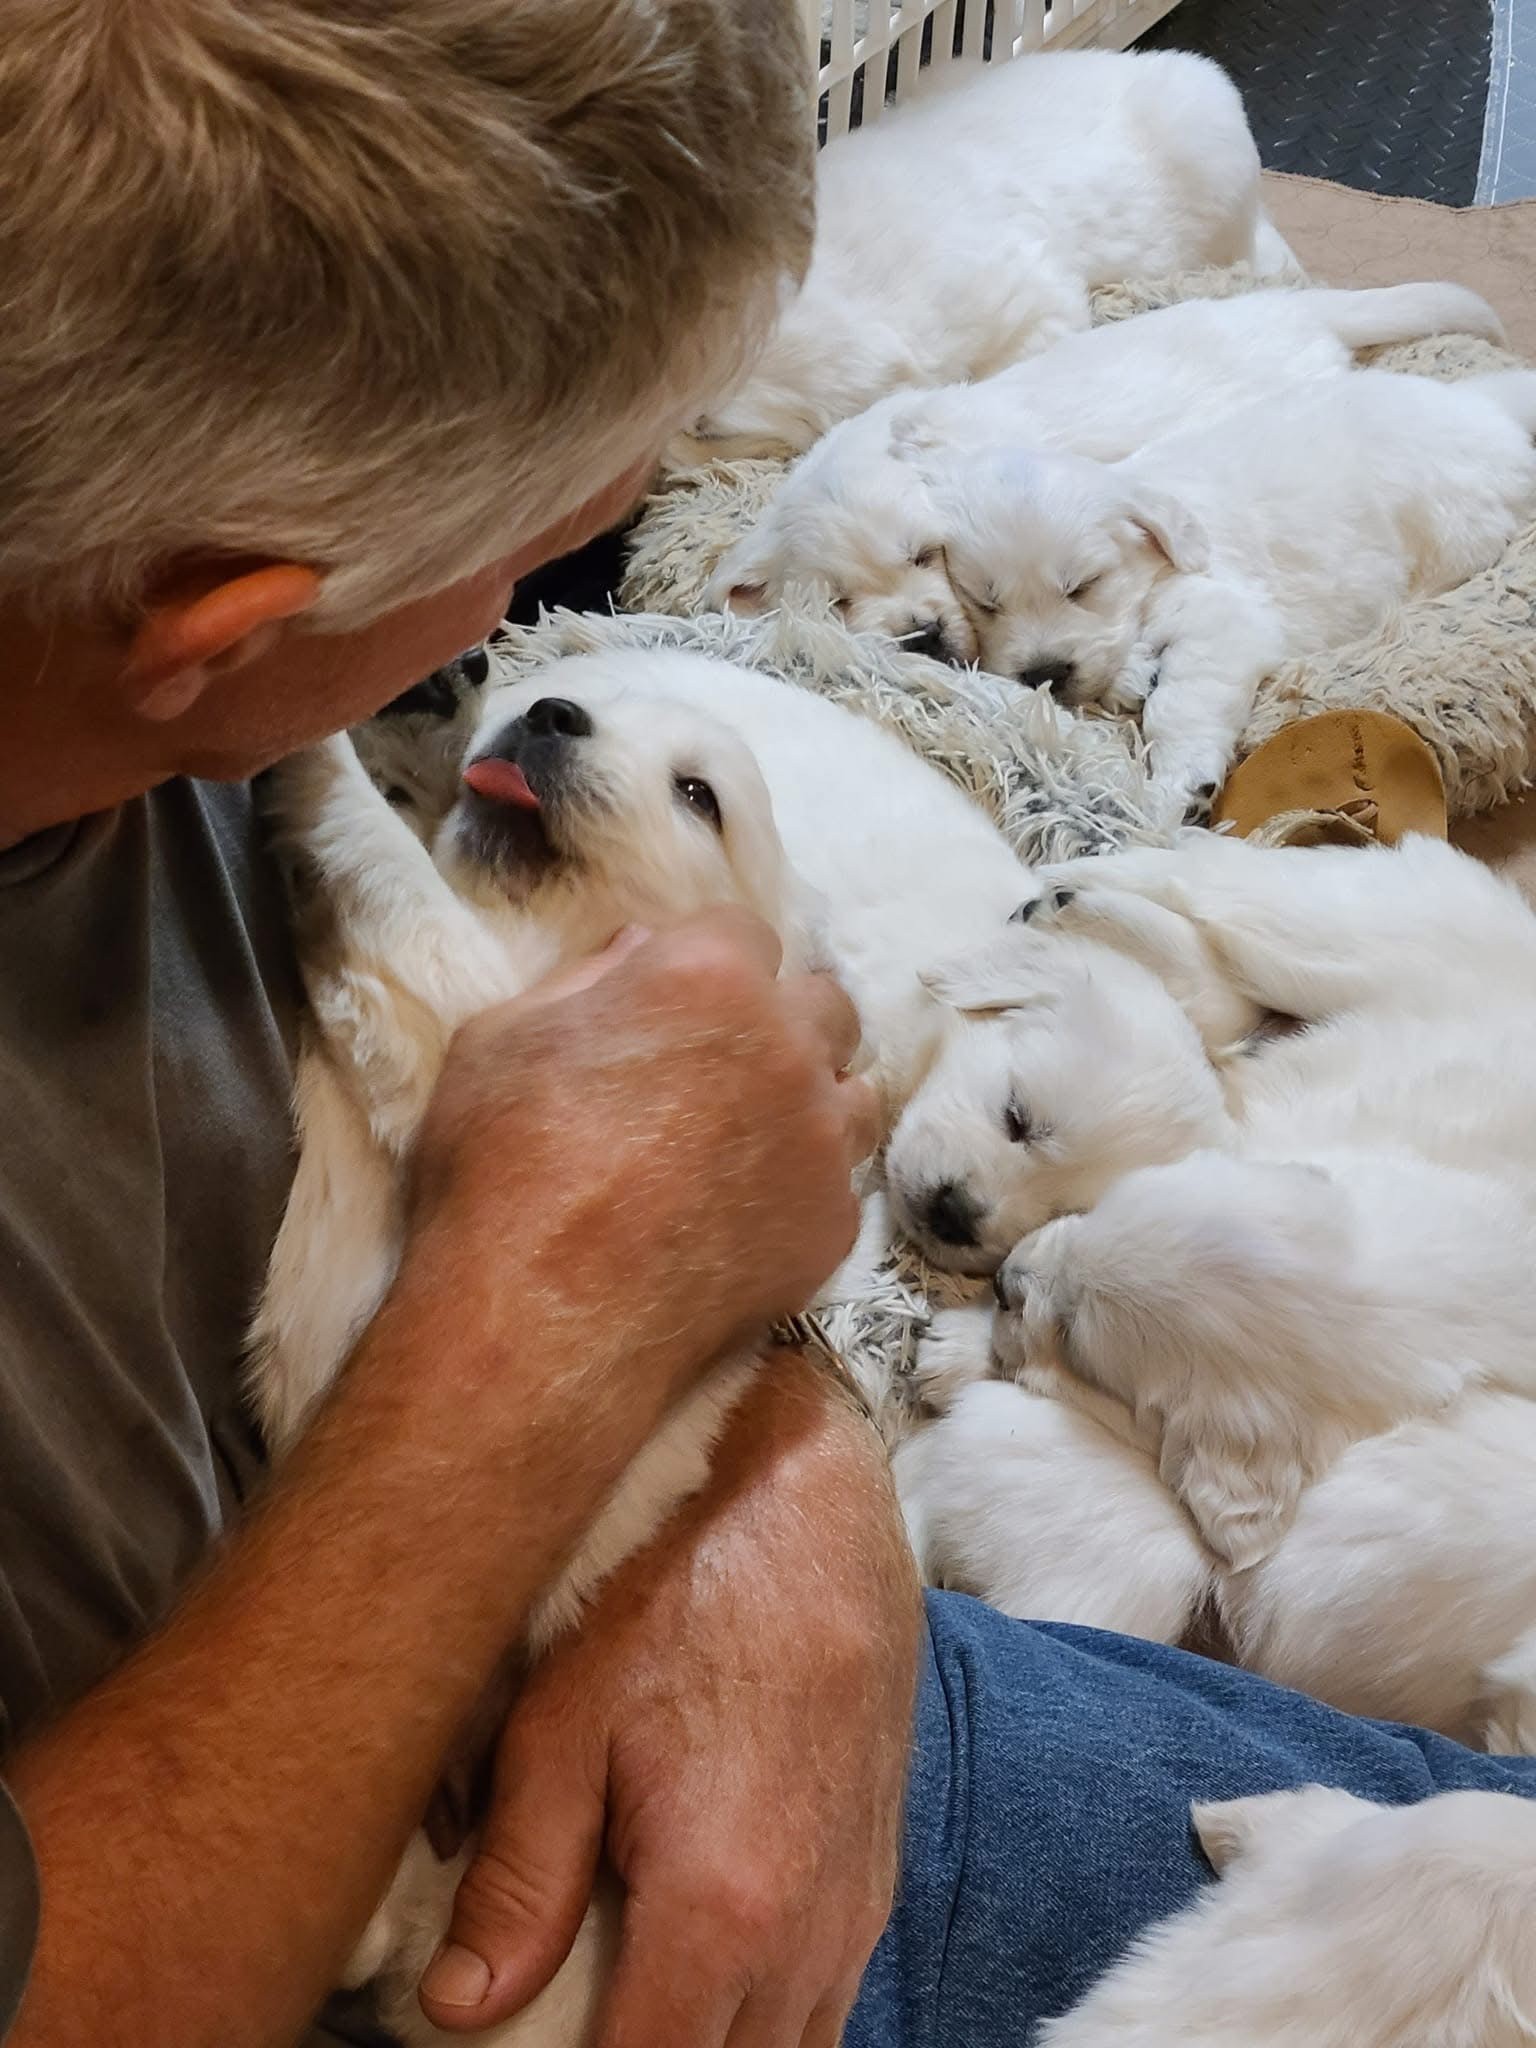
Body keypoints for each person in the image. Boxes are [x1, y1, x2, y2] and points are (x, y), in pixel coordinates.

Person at [2, 8, 1534, 2048]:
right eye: (535, 547)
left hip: (662, 1615)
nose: (551, 615)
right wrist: (562, 1323)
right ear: (222, 621)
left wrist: (774, 1454)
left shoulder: (123, 596)